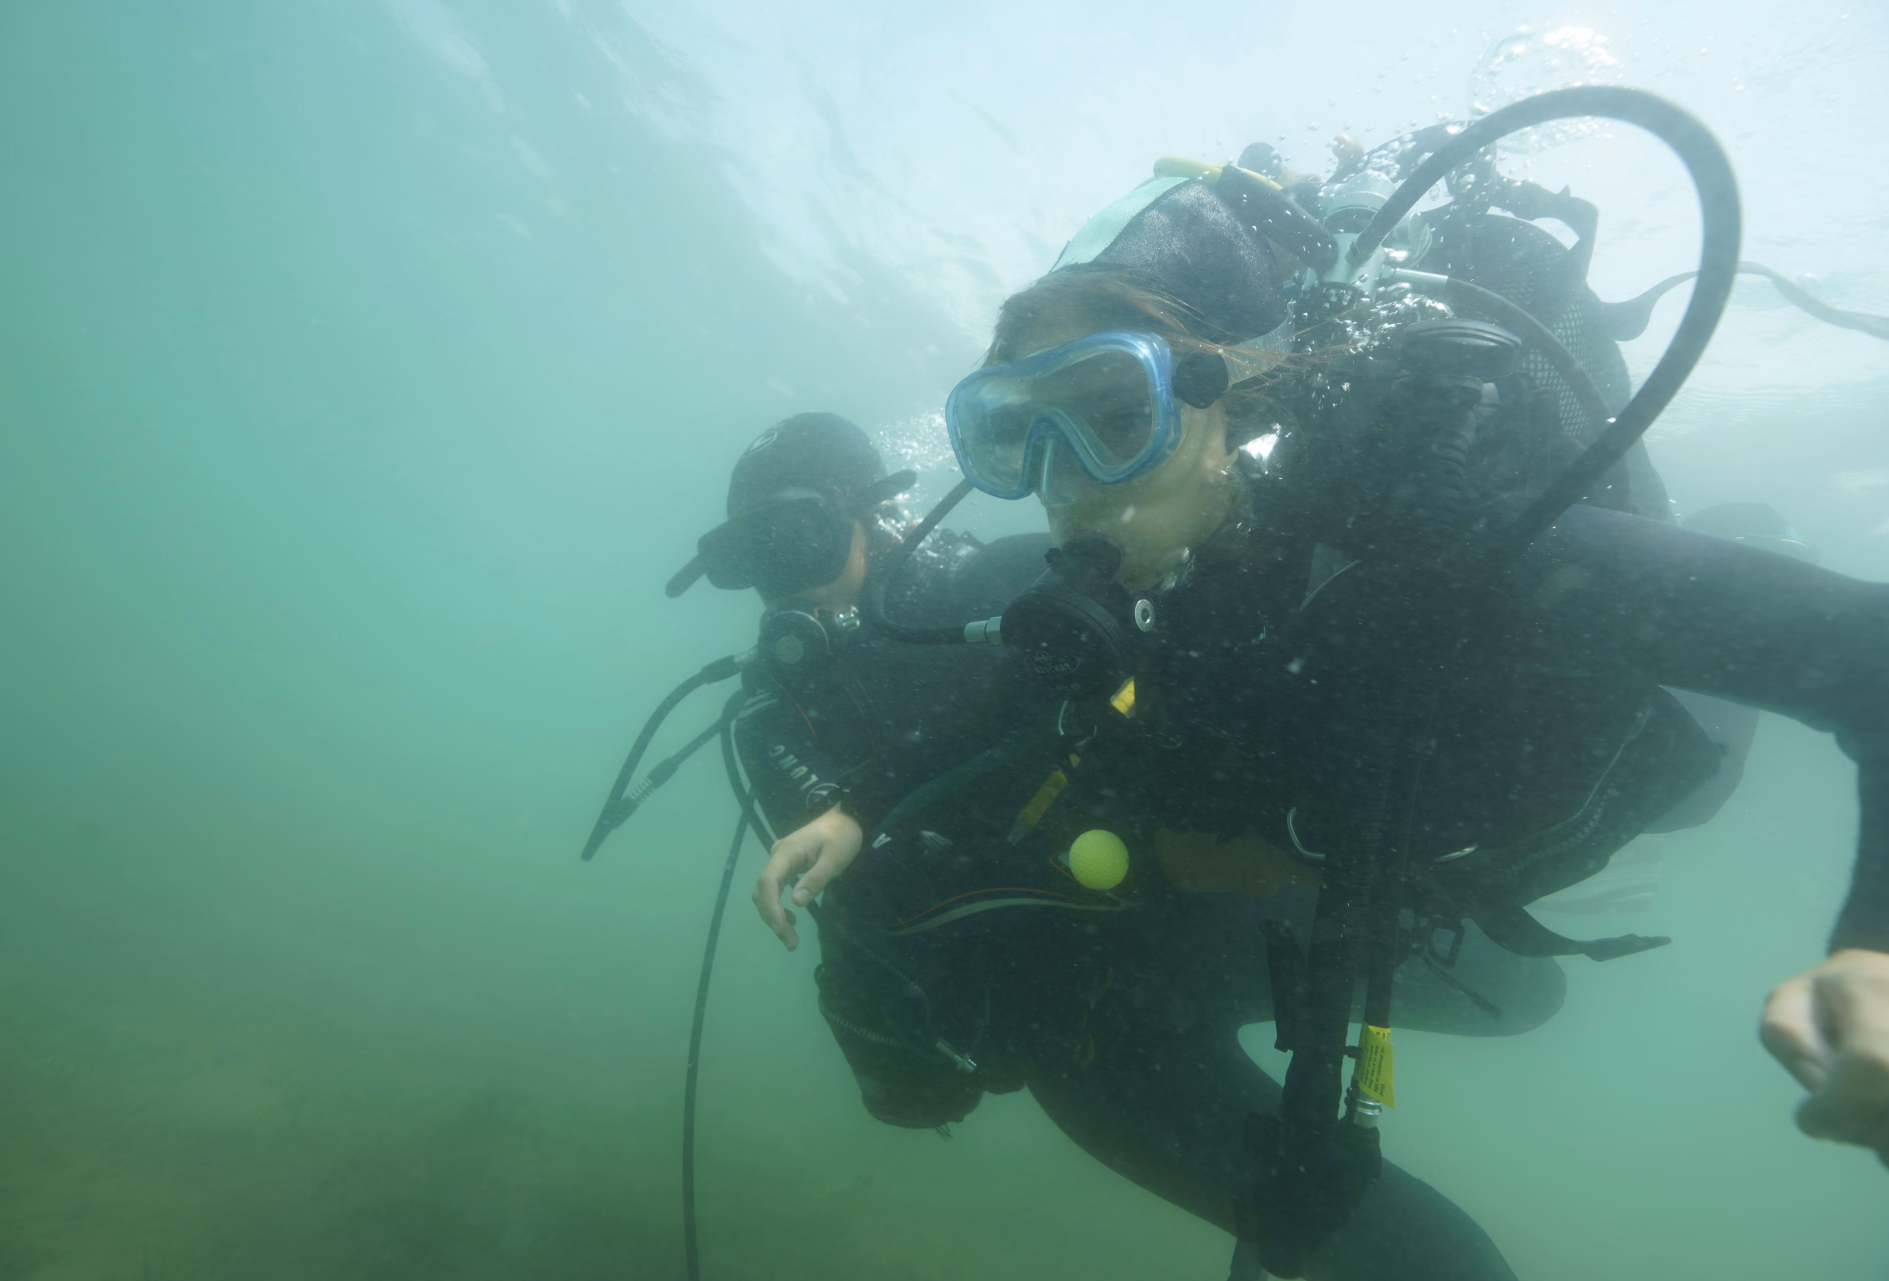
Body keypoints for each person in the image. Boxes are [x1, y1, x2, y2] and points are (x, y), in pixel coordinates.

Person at [755, 157, 1889, 1274]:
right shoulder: (1156, 580)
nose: (1066, 478)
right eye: (1018, 433)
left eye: (1111, 413)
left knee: (1699, 791)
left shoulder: (1445, 541)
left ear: (1235, 397)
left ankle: (1753, 531)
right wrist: (863, 805)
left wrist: (1876, 946)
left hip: (1608, 779)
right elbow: (1029, 680)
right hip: (1397, 861)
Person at [669, 411, 1057, 1126]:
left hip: (1159, 920)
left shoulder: (995, 591)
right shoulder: (774, 715)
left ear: (874, 514)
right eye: (755, 555)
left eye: (803, 538)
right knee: (914, 1092)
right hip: (1040, 1017)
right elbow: (858, 918)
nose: (781, 582)